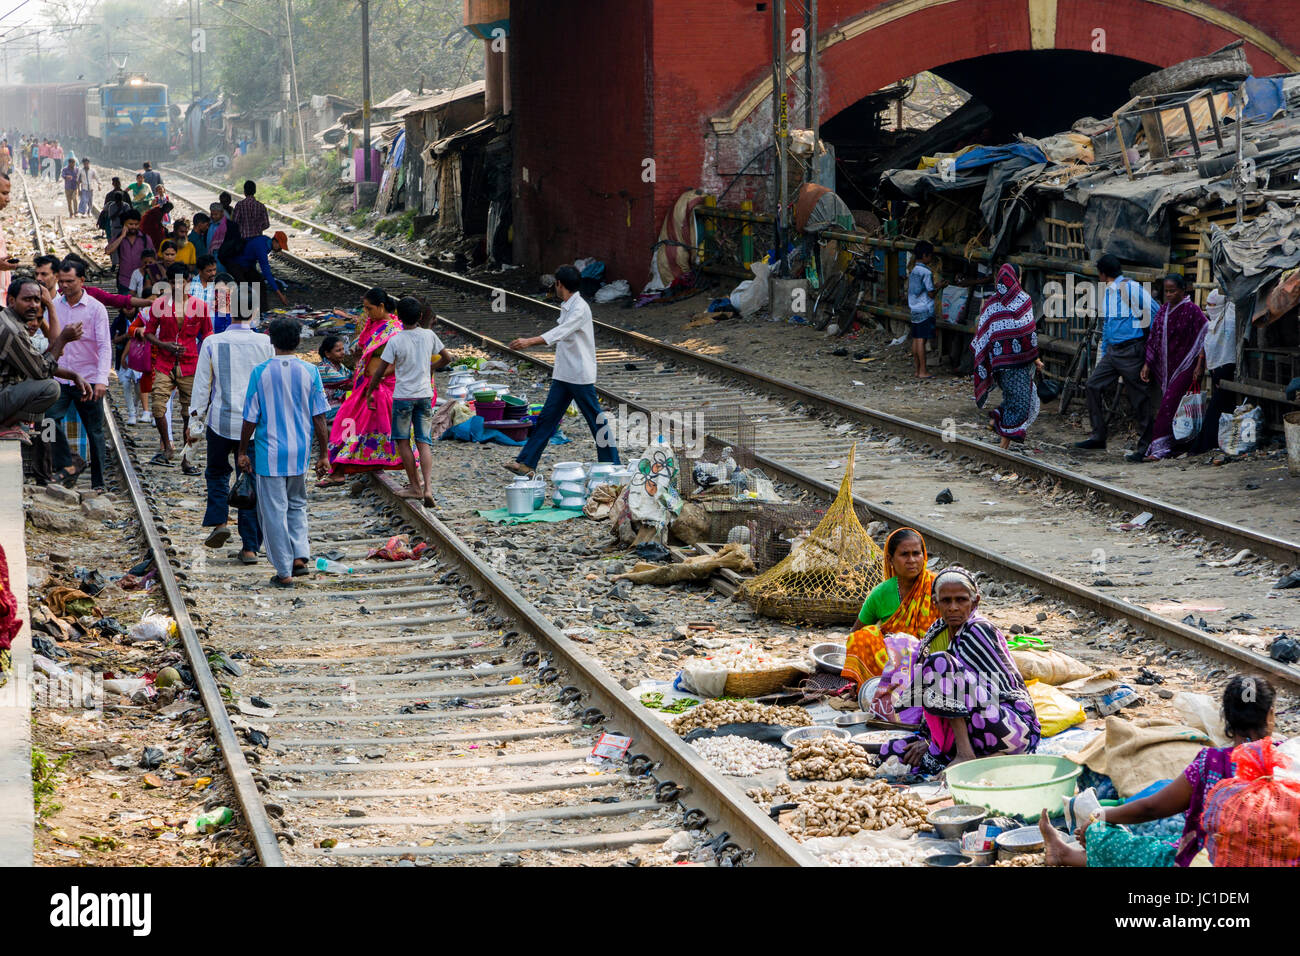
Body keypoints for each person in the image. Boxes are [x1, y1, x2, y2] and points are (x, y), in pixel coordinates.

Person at [1039, 675, 1275, 867]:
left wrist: (1098, 818)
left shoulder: (1210, 762)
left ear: (1227, 719)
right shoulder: (1288, 760)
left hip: (1211, 862)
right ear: (1270, 715)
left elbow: (1151, 808)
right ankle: (1065, 855)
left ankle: (1067, 854)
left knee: (1128, 843)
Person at [877, 567, 1040, 775]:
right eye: (946, 601)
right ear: (935, 603)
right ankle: (983, 758)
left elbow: (987, 690)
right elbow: (931, 694)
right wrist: (930, 740)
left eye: (961, 600)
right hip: (974, 726)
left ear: (975, 602)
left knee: (940, 663)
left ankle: (965, 755)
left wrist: (938, 742)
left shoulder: (978, 630)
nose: (953, 607)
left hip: (1010, 724)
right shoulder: (938, 632)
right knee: (891, 752)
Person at [237, 317, 330, 588]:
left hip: (269, 454)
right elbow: (320, 418)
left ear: (271, 340)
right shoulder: (310, 372)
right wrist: (323, 454)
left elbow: (250, 418)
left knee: (273, 511)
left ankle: (283, 570)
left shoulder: (261, 373)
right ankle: (300, 556)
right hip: (299, 452)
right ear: (299, 341)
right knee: (297, 504)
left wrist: (243, 451)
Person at [506, 264, 619, 476]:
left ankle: (613, 464)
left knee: (596, 420)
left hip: (579, 375)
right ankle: (526, 463)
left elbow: (560, 332)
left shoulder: (580, 308)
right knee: (547, 419)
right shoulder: (568, 305)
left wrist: (529, 342)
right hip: (565, 374)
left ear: (560, 284)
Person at [188, 296, 273, 563]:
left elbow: (202, 386)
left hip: (220, 422)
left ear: (227, 311)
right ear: (254, 313)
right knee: (248, 480)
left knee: (216, 472)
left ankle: (220, 521)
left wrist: (195, 422)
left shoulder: (213, 342)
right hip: (254, 425)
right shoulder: (266, 343)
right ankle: (249, 547)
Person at [361, 296, 453, 504]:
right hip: (424, 396)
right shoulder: (429, 335)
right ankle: (428, 488)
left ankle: (415, 486)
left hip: (403, 397)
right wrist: (431, 368)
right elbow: (447, 358)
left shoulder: (395, 340)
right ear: (420, 316)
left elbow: (380, 372)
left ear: (398, 318)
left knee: (403, 442)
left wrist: (370, 392)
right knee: (424, 442)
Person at [841, 527, 940, 708]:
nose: (912, 560)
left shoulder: (937, 587)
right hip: (893, 668)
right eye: (904, 554)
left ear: (924, 556)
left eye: (916, 553)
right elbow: (855, 633)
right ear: (890, 560)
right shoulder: (881, 593)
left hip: (932, 663)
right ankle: (875, 690)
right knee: (864, 636)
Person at [1075, 254, 1159, 458]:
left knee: (1140, 398)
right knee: (1093, 385)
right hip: (1113, 351)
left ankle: (1145, 446)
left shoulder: (1130, 288)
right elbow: (1108, 324)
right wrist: (1104, 352)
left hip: (1131, 350)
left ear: (1102, 274)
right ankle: (1098, 436)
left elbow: (1155, 310)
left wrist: (1148, 345)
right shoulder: (1110, 292)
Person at [324, 288, 404, 480]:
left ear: (382, 306)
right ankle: (346, 466)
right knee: (349, 422)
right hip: (366, 384)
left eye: (369, 308)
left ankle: (343, 468)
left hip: (381, 385)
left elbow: (400, 360)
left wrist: (379, 377)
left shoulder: (394, 330)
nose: (366, 313)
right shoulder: (373, 325)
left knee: (354, 423)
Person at [46, 260, 112, 490]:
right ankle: (65, 465)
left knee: (95, 431)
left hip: (89, 378)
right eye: (61, 281)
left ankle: (98, 483)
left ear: (82, 281)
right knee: (48, 421)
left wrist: (102, 379)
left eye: (70, 281)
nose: (64, 286)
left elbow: (104, 346)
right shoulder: (53, 306)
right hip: (60, 377)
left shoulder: (96, 309)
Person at [0, 277, 88, 443]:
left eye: (37, 300)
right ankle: (5, 425)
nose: (33, 305)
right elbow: (41, 371)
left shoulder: (8, 320)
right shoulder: (13, 331)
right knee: (50, 388)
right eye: (27, 300)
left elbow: (35, 362)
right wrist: (62, 339)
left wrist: (72, 375)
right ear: (12, 301)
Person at [142, 263, 212, 464]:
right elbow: (148, 332)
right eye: (173, 282)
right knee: (157, 406)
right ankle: (167, 447)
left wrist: (206, 358)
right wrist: (164, 344)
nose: (177, 286)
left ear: (189, 282)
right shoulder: (159, 305)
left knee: (189, 412)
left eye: (181, 282)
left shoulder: (200, 306)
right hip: (165, 361)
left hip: (190, 363)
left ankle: (186, 456)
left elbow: (207, 334)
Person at [971, 264, 1045, 448]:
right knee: (1021, 404)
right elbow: (1027, 334)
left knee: (1014, 399)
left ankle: (1000, 436)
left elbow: (982, 333)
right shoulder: (1023, 300)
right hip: (1018, 364)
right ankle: (1002, 443)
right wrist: (1035, 358)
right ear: (1017, 278)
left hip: (998, 365)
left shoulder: (990, 304)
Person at [1141, 274, 1208, 462]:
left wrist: (1200, 365)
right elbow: (1154, 338)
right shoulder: (1163, 311)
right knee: (1176, 407)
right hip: (1166, 367)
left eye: (1173, 291)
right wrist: (1147, 363)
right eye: (1167, 291)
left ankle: (1159, 449)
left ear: (1183, 290)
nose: (1169, 294)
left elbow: (1204, 335)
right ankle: (1177, 445)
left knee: (1168, 405)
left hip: (1187, 365)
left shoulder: (1192, 311)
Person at [1192, 288, 1239, 455]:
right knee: (1223, 407)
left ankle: (1205, 444)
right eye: (1207, 304)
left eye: (1213, 304)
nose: (1210, 308)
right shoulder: (1213, 322)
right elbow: (1207, 345)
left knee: (1216, 407)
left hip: (1226, 366)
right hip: (1215, 367)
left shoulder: (1230, 319)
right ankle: (1220, 441)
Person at [228, 230, 289, 306]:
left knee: (259, 283)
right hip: (236, 264)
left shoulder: (265, 240)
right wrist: (280, 295)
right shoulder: (262, 248)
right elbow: (266, 272)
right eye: (280, 247)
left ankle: (261, 311)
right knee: (244, 287)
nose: (280, 249)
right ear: (275, 242)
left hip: (246, 265)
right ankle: (243, 313)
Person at [907, 241, 937, 379]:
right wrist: (940, 287)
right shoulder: (926, 272)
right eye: (930, 256)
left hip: (914, 307)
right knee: (921, 340)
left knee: (916, 339)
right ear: (925, 255)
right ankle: (923, 370)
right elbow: (931, 293)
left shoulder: (913, 270)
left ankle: (917, 369)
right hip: (925, 308)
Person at [107, 209, 154, 295]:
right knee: (126, 306)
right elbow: (108, 251)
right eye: (130, 224)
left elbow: (154, 259)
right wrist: (122, 237)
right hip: (124, 280)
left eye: (136, 224)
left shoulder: (145, 238)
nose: (133, 227)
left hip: (142, 280)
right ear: (124, 224)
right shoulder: (119, 237)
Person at [316, 335, 351, 421]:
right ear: (327, 354)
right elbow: (351, 384)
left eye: (343, 349)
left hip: (338, 405)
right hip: (327, 409)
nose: (343, 352)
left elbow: (353, 377)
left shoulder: (340, 366)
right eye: (338, 350)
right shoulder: (324, 369)